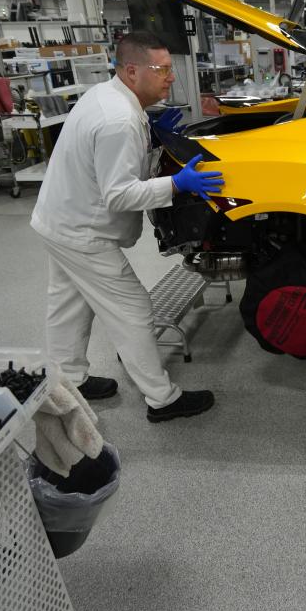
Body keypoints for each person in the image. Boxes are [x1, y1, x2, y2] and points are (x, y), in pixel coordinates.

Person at [31, 31, 225, 423]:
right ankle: (162, 399)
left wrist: (151, 134)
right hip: (82, 231)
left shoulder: (108, 96)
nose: (172, 77)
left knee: (67, 306)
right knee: (133, 309)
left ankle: (68, 380)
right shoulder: (119, 118)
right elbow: (118, 195)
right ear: (133, 71)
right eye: (163, 69)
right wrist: (176, 185)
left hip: (58, 218)